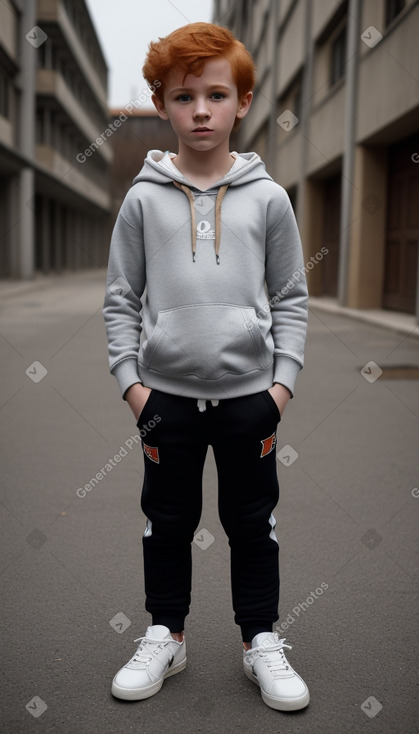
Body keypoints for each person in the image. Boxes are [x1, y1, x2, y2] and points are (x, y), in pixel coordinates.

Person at [103, 22, 309, 712]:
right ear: (161, 103)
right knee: (165, 521)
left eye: (215, 94)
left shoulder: (268, 198)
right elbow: (119, 301)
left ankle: (261, 641)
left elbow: (289, 298)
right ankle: (167, 631)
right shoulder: (141, 198)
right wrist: (133, 387)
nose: (199, 110)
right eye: (183, 95)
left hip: (252, 400)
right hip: (165, 401)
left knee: (253, 524)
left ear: (242, 102)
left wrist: (279, 386)